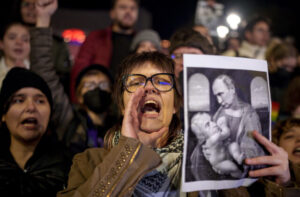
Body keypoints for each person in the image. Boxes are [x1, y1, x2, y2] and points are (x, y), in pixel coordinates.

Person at [57, 52, 291, 197]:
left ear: (178, 104)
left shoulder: (204, 159)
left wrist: (284, 183)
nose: (149, 88)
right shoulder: (88, 162)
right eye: (136, 82)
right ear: (121, 105)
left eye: (161, 81)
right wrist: (128, 152)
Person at [29, 0, 117, 155]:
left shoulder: (121, 127)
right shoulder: (68, 120)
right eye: (89, 85)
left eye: (103, 84)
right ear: (79, 96)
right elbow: (43, 72)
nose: (96, 88)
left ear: (112, 92)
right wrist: (43, 18)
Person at [0, 67, 70, 197]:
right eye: (19, 100)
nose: (31, 107)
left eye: (40, 101)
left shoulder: (70, 165)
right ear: (3, 114)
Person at [70, 0, 139, 102]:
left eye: (132, 8)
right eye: (123, 7)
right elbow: (79, 72)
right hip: (101, 101)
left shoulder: (141, 43)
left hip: (131, 101)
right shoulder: (96, 38)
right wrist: (77, 103)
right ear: (112, 13)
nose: (128, 11)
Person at [212, 74, 265, 162]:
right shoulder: (219, 113)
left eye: (220, 94)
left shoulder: (249, 115)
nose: (219, 101)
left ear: (232, 89)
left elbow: (251, 149)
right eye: (216, 96)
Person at [190, 112, 244, 178]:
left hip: (226, 152)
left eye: (212, 121)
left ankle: (238, 157)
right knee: (232, 167)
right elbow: (227, 133)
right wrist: (223, 125)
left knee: (233, 145)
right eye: (207, 125)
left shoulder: (214, 134)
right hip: (220, 162)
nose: (213, 124)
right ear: (203, 135)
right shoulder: (212, 139)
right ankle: (240, 175)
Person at [0, 22, 30, 89]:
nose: (19, 42)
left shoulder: (40, 71)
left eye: (25, 39)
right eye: (12, 38)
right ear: (1, 43)